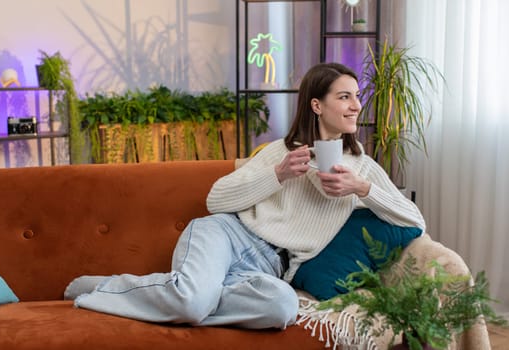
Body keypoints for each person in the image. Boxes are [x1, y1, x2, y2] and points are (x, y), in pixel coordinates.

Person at [64, 62, 425, 330]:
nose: (356, 106)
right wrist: (279, 174)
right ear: (317, 105)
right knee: (190, 305)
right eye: (344, 97)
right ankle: (103, 289)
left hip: (273, 269)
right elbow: (215, 201)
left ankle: (186, 294)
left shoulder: (361, 166)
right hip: (228, 236)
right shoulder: (282, 151)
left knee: (282, 309)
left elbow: (415, 221)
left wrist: (362, 189)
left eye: (356, 97)